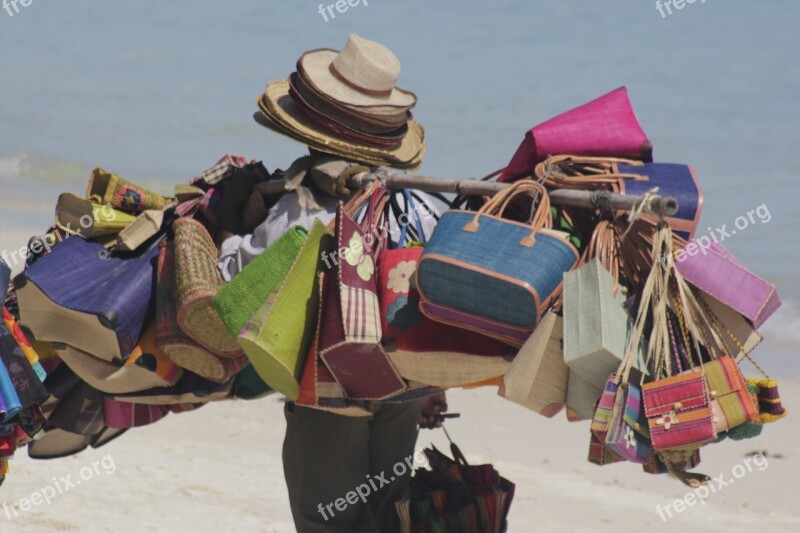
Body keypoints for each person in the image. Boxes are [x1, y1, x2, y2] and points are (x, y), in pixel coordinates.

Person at [217, 35, 448, 532]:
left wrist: (224, 238)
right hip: (403, 383)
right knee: (387, 512)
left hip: (332, 384)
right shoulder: (414, 200)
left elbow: (248, 281)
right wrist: (435, 387)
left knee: (327, 518)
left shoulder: (303, 202)